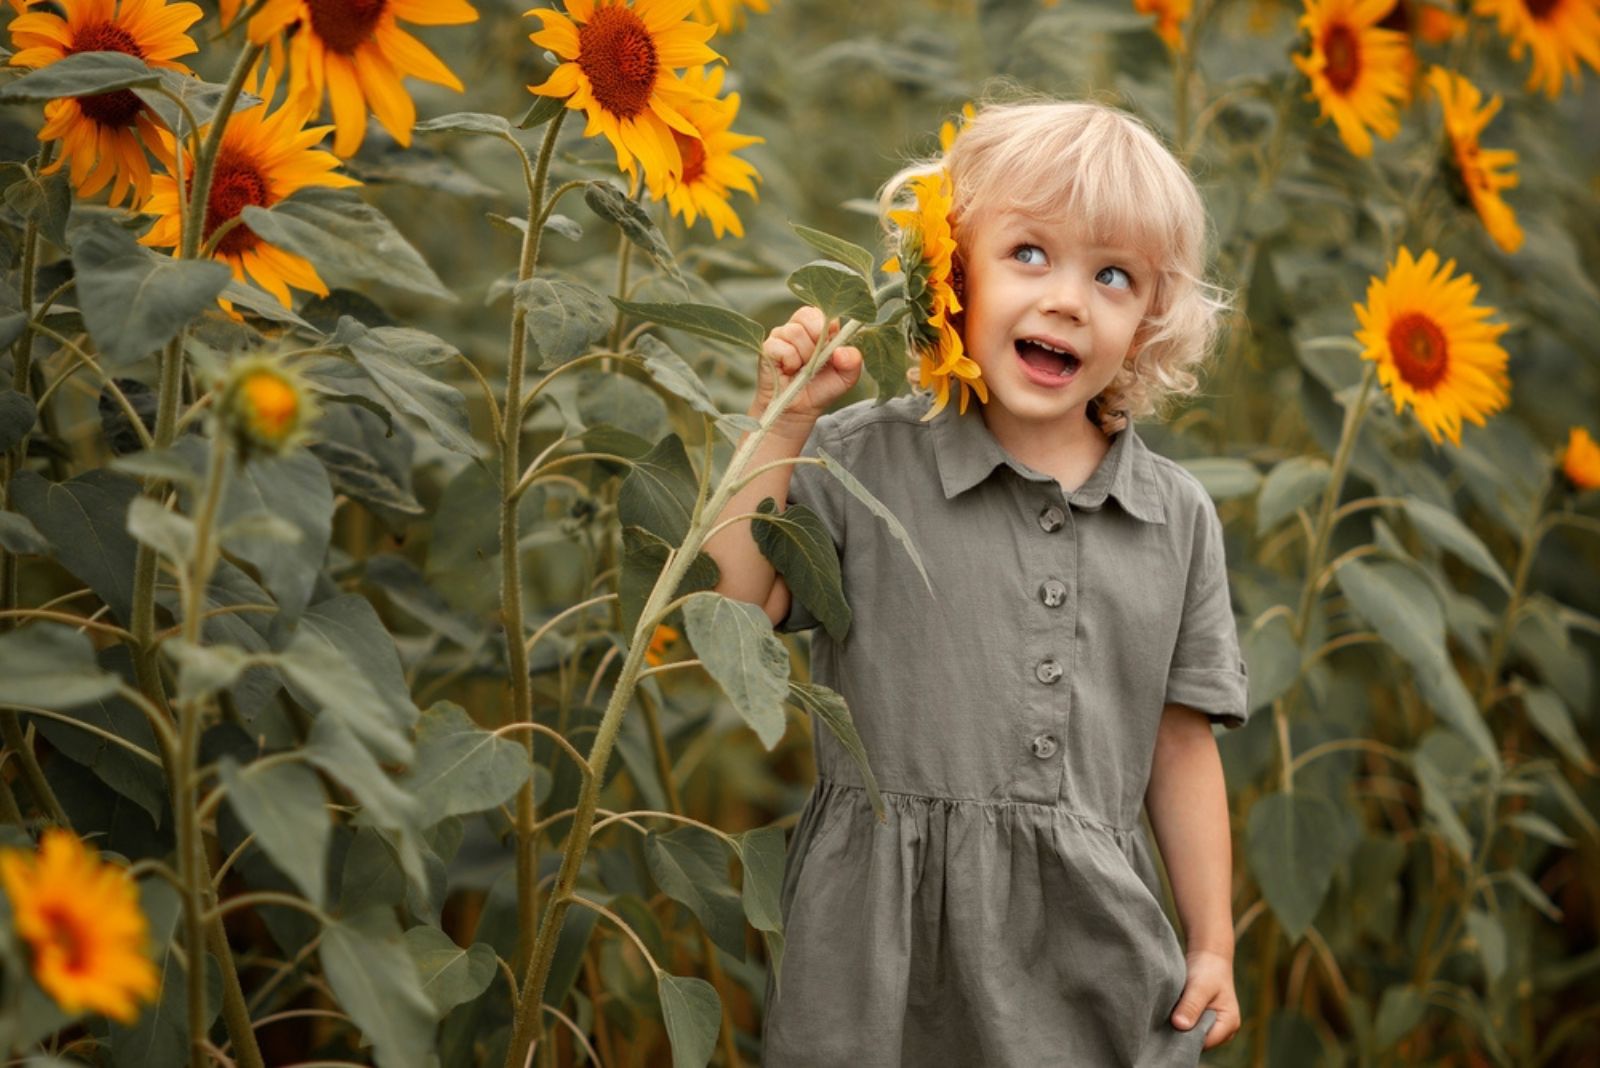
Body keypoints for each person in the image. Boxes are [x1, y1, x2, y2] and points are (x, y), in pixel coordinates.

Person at [705, 98, 1250, 1067]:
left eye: (1112, 275)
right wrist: (779, 424)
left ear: (1148, 321)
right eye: (1030, 254)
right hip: (880, 945)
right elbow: (736, 604)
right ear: (948, 265)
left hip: (1090, 946)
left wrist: (1212, 940)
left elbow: (1179, 744)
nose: (1068, 300)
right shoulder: (859, 463)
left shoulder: (1172, 519)